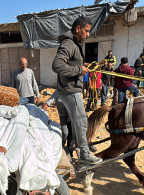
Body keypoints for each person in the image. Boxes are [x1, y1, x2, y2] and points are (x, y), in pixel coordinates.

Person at [52, 16, 102, 165]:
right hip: (70, 89)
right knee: (81, 121)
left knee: (78, 120)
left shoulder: (74, 43)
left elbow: (70, 62)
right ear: (77, 29)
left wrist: (83, 65)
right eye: (86, 31)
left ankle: (79, 147)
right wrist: (79, 70)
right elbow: (57, 65)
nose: (88, 35)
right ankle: (84, 153)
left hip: (70, 89)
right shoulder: (69, 44)